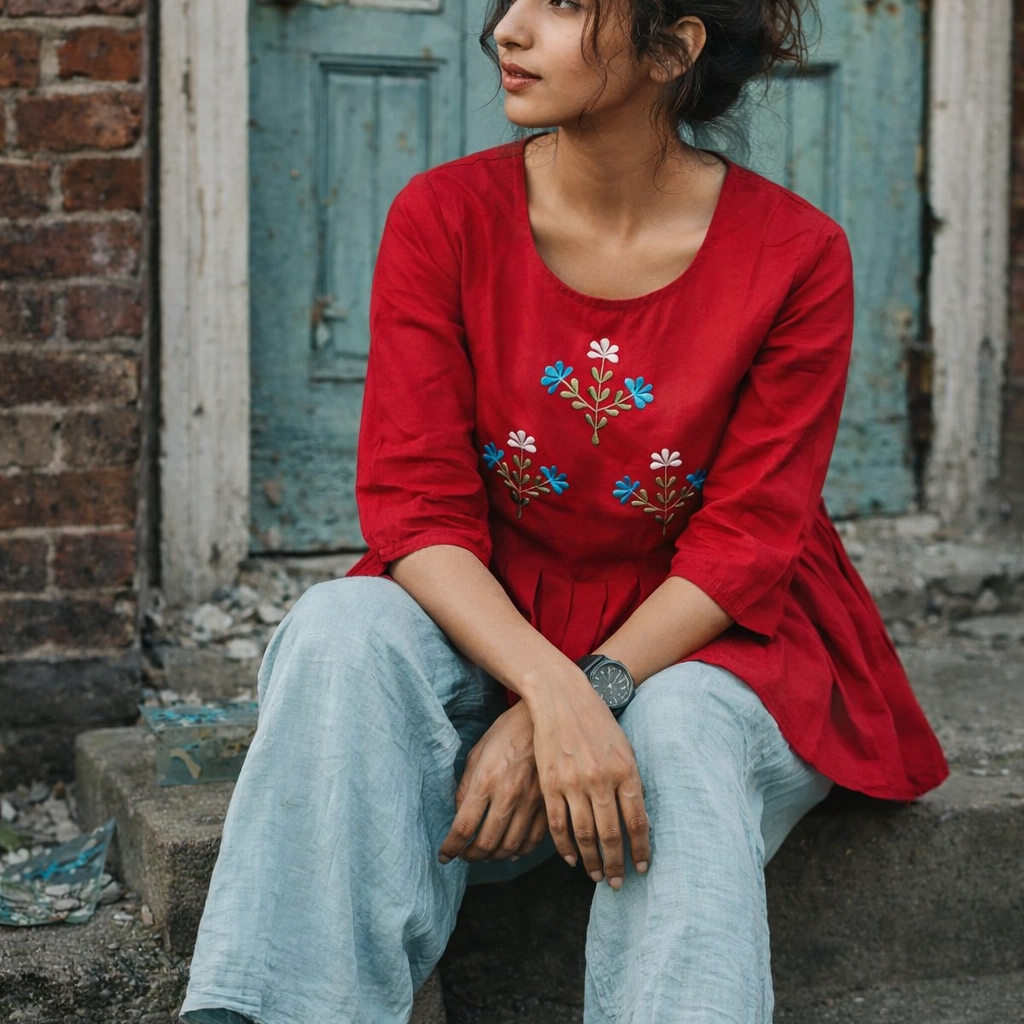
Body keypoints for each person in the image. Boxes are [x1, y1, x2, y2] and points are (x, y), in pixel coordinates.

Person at [180, 0, 949, 1020]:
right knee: (337, 630)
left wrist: (599, 688)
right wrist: (554, 694)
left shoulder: (796, 256)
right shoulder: (441, 218)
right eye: (511, 2)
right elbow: (417, 508)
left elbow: (745, 541)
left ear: (672, 48)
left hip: (714, 639)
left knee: (675, 727)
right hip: (500, 613)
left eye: (563, 5)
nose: (505, 27)